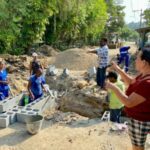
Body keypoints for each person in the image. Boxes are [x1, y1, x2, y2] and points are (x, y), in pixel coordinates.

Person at [105, 48, 150, 150]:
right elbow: (131, 82)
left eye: (137, 58)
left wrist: (113, 87)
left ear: (144, 62)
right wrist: (117, 68)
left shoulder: (147, 83)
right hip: (139, 119)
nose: (135, 60)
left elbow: (128, 102)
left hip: (140, 121)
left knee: (137, 147)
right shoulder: (143, 76)